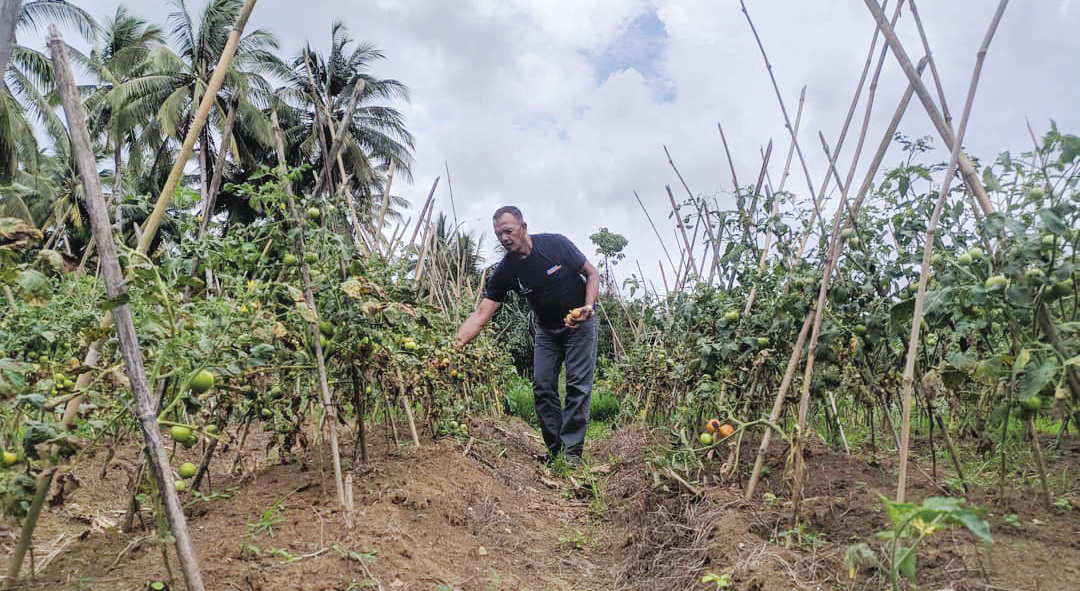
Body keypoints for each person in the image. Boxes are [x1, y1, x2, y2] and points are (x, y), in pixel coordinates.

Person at [455, 206, 600, 465]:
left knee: (578, 385)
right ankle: (556, 451)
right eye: (498, 234)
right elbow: (480, 315)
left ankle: (572, 455)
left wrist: (589, 307)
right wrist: (451, 348)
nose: (504, 238)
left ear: (523, 227)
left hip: (580, 323)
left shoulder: (556, 245)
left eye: (508, 231)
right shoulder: (506, 271)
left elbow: (592, 273)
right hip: (547, 329)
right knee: (543, 387)